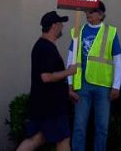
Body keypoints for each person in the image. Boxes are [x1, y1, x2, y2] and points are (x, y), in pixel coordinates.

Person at [15, 11, 77, 151]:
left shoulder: (43, 46)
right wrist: (70, 71)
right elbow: (46, 77)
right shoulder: (45, 48)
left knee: (37, 138)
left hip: (43, 104)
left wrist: (66, 91)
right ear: (54, 26)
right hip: (51, 106)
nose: (63, 27)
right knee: (63, 138)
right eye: (61, 24)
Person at [66, 2, 121, 151]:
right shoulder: (78, 31)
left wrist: (116, 86)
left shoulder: (111, 32)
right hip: (82, 85)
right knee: (79, 126)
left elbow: (117, 60)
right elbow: (71, 58)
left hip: (103, 86)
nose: (88, 14)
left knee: (102, 128)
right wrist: (70, 83)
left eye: (92, 12)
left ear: (101, 14)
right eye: (87, 12)